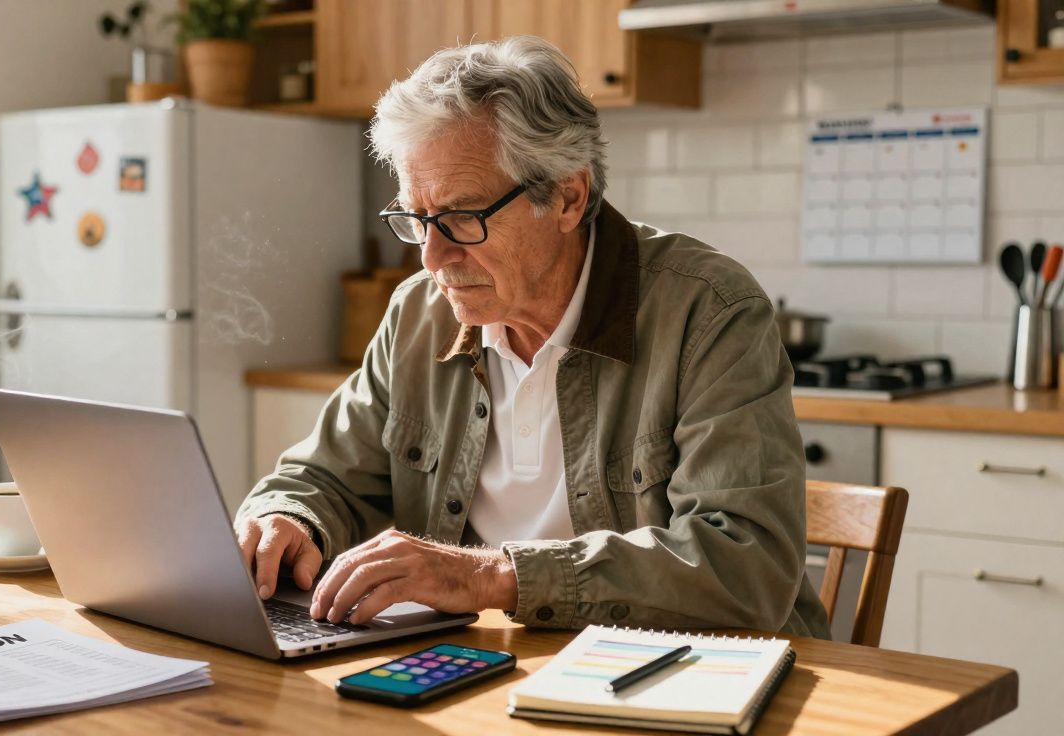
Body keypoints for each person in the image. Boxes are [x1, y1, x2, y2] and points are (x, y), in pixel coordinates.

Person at [235, 35, 830, 639]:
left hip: (693, 674)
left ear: (567, 196)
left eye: (463, 218)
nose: (433, 259)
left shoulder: (708, 311)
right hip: (490, 665)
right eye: (416, 220)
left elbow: (745, 564)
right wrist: (284, 517)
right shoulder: (420, 314)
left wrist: (489, 576)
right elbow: (326, 477)